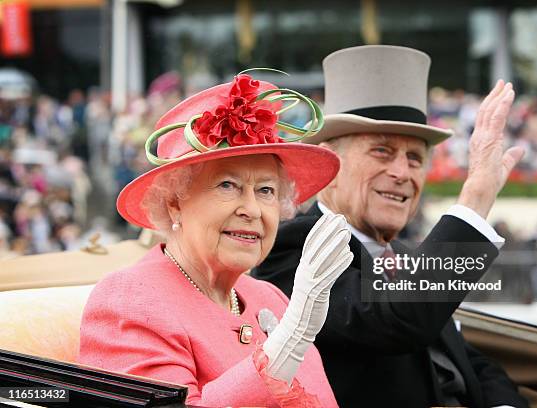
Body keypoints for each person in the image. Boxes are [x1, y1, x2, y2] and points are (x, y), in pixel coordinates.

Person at [252, 45, 529, 407]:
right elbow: (398, 319)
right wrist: (476, 196)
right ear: (330, 166)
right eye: (382, 151)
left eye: (414, 158)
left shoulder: (403, 258)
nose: (402, 173)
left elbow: (471, 362)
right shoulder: (295, 247)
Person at [78, 73, 354, 407]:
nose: (252, 209)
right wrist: (287, 342)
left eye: (266, 190)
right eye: (228, 185)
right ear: (174, 202)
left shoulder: (270, 297)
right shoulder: (129, 299)